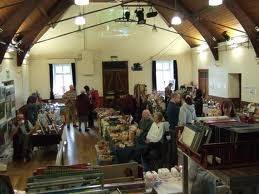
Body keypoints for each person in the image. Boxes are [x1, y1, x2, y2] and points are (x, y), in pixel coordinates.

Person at [166, 92, 181, 167]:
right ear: (174, 97)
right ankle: (175, 164)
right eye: (178, 98)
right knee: (174, 148)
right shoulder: (175, 107)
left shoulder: (169, 105)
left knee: (171, 148)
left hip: (171, 128)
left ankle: (171, 164)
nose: (179, 99)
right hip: (174, 129)